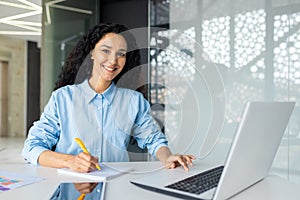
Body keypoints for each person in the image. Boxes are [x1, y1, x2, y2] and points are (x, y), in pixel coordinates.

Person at [22, 23, 195, 173]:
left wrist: (168, 157)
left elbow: (153, 139)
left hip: (116, 187)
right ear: (92, 53)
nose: (113, 60)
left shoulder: (133, 101)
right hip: (72, 186)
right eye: (106, 51)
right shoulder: (63, 98)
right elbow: (32, 147)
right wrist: (70, 161)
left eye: (121, 54)